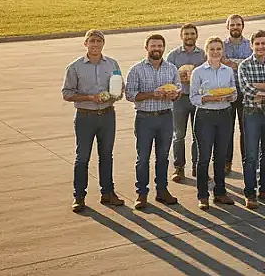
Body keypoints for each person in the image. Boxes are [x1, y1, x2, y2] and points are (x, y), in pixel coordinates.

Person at [63, 30, 123, 212]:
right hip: (85, 117)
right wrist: (90, 97)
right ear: (85, 44)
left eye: (99, 41)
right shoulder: (75, 67)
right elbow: (67, 94)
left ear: (103, 44)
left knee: (106, 156)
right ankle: (79, 196)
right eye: (92, 41)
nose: (95, 44)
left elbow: (120, 89)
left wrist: (114, 95)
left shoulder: (113, 64)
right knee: (82, 158)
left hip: (107, 115)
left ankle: (108, 193)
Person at [124, 34, 182, 210]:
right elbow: (130, 94)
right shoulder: (136, 69)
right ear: (146, 47)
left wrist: (175, 94)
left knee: (163, 157)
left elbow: (178, 90)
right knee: (142, 159)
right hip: (145, 119)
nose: (156, 49)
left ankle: (162, 190)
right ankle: (141, 193)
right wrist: (152, 94)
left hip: (165, 117)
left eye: (159, 46)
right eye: (153, 46)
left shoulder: (171, 69)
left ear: (164, 48)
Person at [189, 36, 238, 209]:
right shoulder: (198, 72)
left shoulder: (228, 71)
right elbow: (193, 97)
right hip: (205, 116)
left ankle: (220, 193)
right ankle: (202, 195)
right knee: (204, 158)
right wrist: (208, 98)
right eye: (212, 49)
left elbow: (234, 93)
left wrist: (230, 97)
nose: (216, 52)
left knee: (220, 156)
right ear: (206, 51)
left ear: (222, 51)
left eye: (218, 49)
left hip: (224, 115)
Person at [238, 30, 265, 209]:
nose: (261, 47)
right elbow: (245, 90)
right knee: (251, 155)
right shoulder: (245, 65)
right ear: (251, 45)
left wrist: (259, 89)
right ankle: (250, 193)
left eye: (263, 43)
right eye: (257, 44)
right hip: (252, 114)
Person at [167, 23, 206, 185]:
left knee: (199, 135)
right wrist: (178, 78)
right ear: (181, 36)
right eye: (186, 34)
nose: (189, 36)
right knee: (179, 135)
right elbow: (166, 76)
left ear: (196, 35)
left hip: (197, 99)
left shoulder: (203, 55)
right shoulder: (173, 56)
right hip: (180, 98)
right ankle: (179, 167)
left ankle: (198, 167)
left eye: (192, 34)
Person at [221, 15, 252, 175]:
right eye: (232, 25)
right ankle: (227, 162)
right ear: (228, 27)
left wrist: (233, 63)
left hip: (245, 92)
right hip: (227, 92)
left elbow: (251, 64)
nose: (235, 27)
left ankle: (248, 161)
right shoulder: (221, 46)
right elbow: (219, 62)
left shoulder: (250, 45)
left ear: (242, 26)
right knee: (227, 130)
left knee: (246, 130)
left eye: (238, 24)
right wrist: (241, 63)